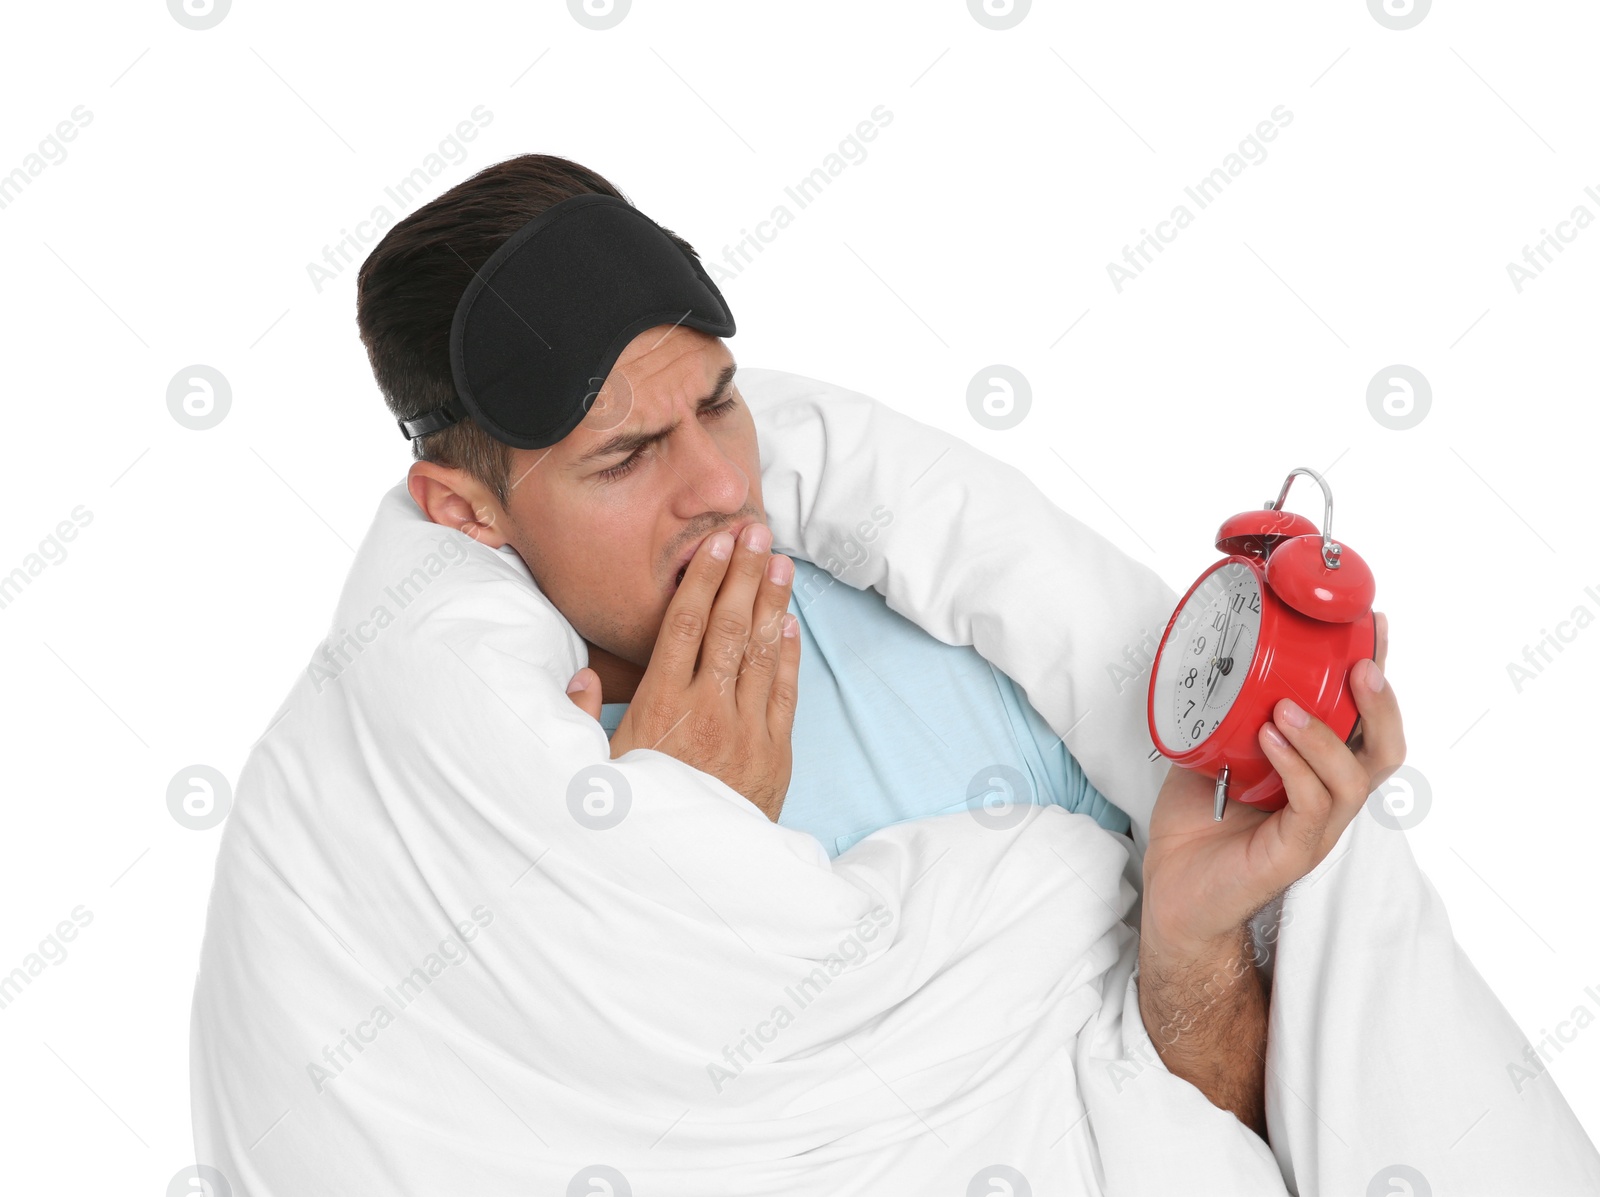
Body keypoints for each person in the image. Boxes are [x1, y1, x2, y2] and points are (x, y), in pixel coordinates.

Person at [356, 152, 1407, 1141]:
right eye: (625, 457)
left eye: (719, 403)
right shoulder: (485, 829)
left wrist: (1191, 949)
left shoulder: (941, 635)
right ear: (465, 512)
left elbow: (1222, 1141)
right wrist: (677, 870)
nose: (722, 487)